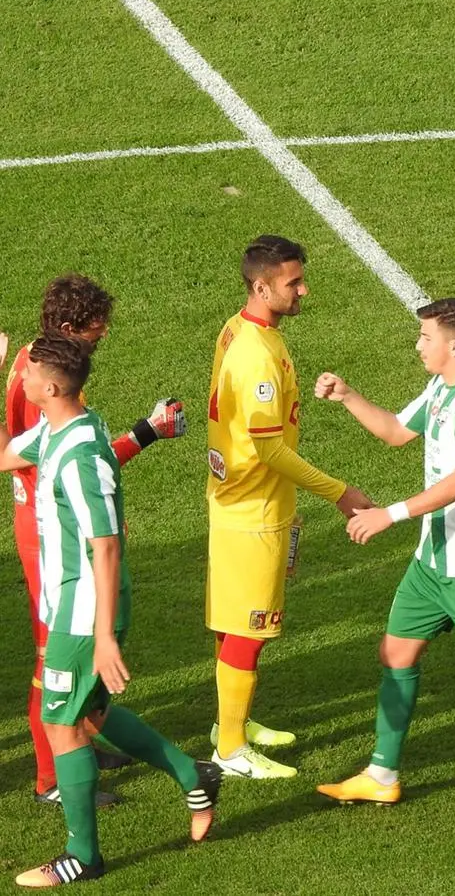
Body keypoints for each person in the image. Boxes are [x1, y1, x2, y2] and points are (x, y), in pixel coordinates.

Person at [0, 332, 221, 887]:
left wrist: (102, 637)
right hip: (72, 603)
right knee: (91, 715)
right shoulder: (57, 430)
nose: (21, 381)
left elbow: (107, 544)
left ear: (50, 387)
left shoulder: (79, 457)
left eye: (26, 374)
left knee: (61, 724)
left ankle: (83, 856)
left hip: (83, 610)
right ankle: (192, 773)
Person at [314, 299, 455, 814]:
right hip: (432, 561)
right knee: (396, 652)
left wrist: (389, 515)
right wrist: (349, 396)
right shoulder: (444, 387)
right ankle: (381, 773)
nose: (418, 345)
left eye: (425, 337)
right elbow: (398, 431)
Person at [7, 274, 185, 806]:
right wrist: (142, 438)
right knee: (51, 659)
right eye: (95, 334)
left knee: (73, 666)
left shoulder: (48, 368)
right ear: (68, 329)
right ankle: (50, 779)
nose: (99, 342)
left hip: (58, 529)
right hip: (49, 539)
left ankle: (78, 742)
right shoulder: (36, 379)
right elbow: (44, 470)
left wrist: (144, 432)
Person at [206, 235, 372, 779]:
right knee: (250, 627)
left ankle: (231, 723)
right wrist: (341, 493)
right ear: (261, 286)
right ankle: (229, 750)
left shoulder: (244, 328)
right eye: (292, 283)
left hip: (244, 501)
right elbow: (270, 450)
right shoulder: (256, 354)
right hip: (253, 511)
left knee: (238, 624)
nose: (303, 290)